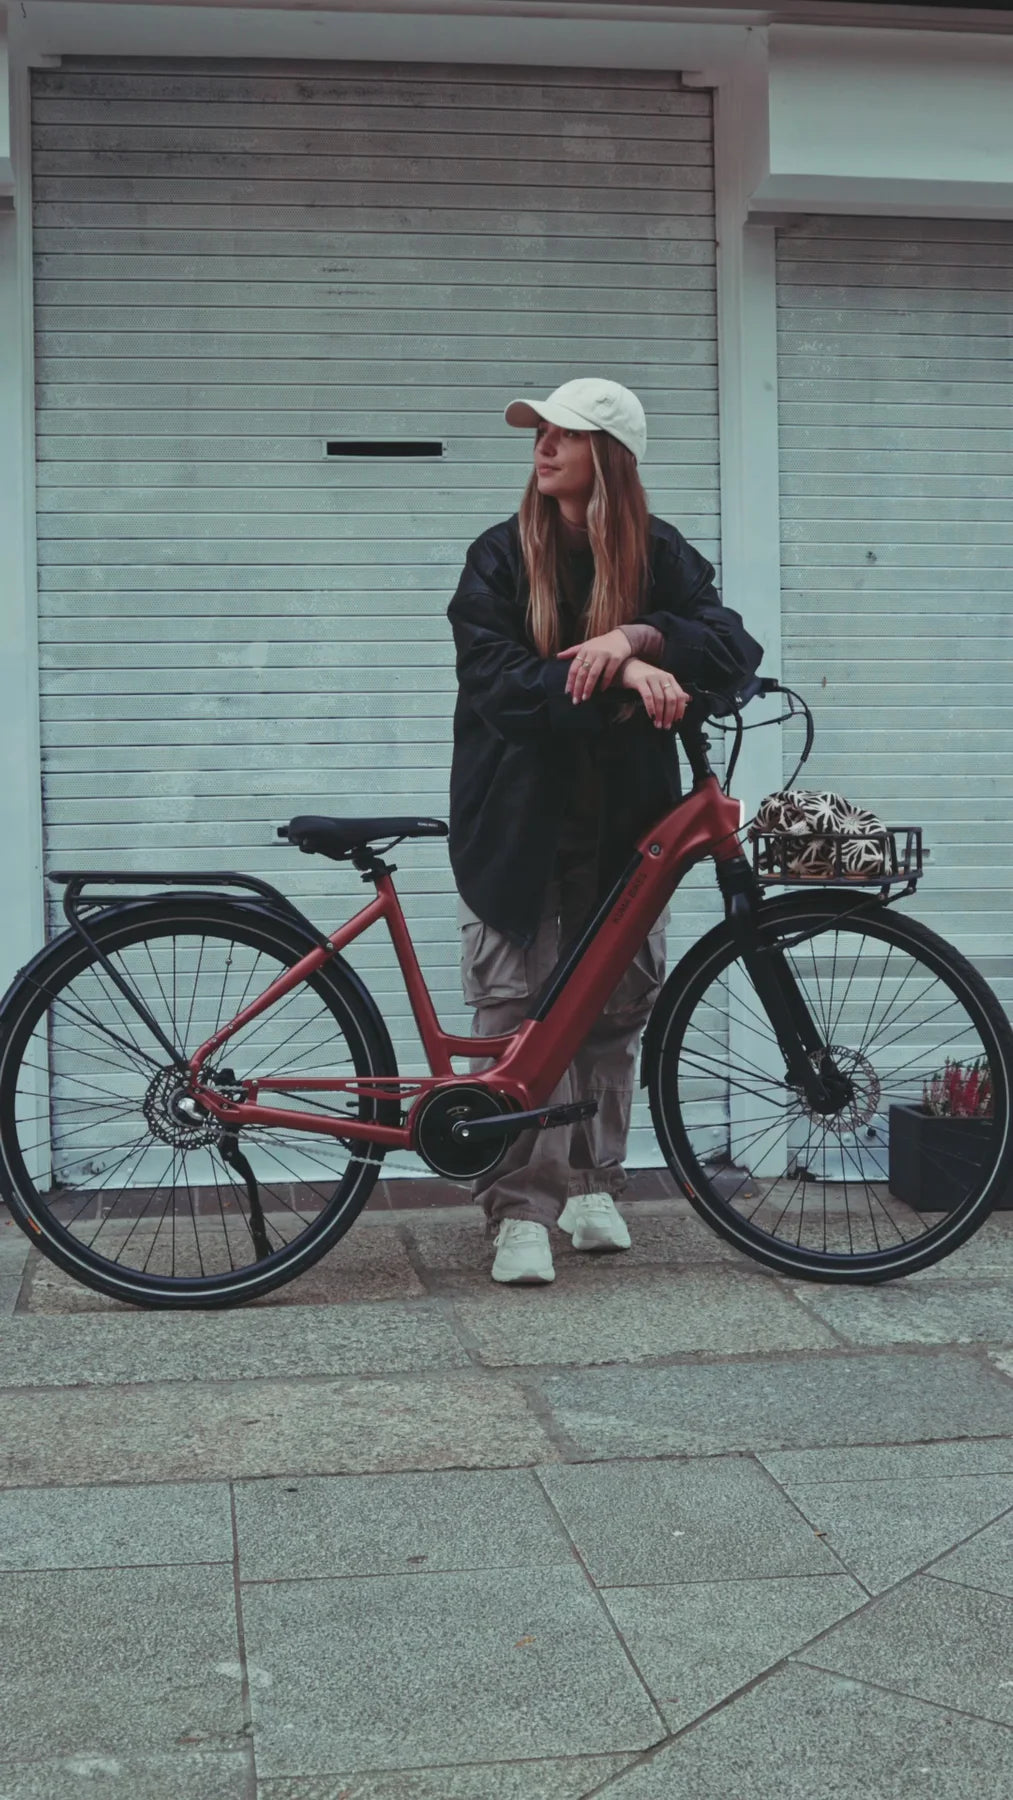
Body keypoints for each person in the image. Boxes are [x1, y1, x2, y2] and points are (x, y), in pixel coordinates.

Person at [447, 378, 761, 1285]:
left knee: (613, 1012)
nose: (541, 447)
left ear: (607, 457)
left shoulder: (657, 553)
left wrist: (636, 637)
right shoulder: (500, 557)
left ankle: (590, 1186)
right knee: (518, 1012)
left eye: (562, 434)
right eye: (538, 432)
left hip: (627, 826)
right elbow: (499, 682)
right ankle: (517, 1212)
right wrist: (611, 679)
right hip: (517, 823)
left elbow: (731, 646)